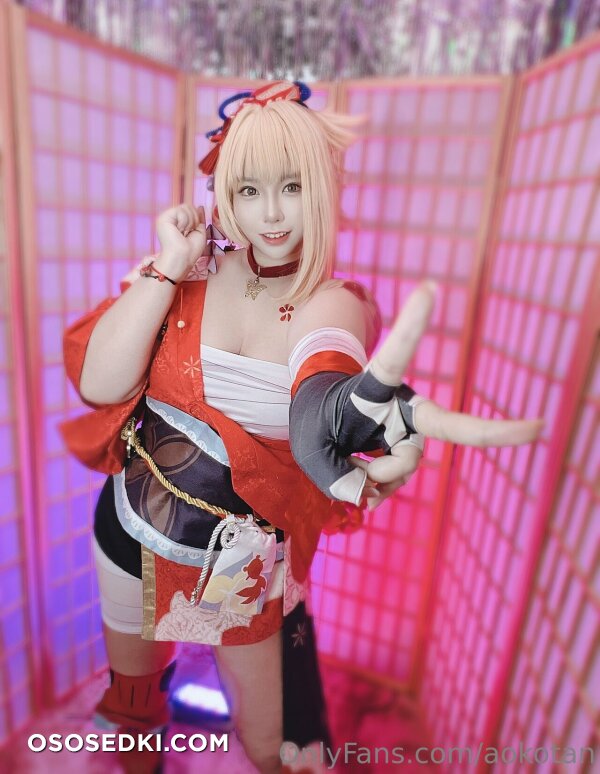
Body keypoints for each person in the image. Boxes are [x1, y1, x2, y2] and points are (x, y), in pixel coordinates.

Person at [61, 81, 543, 774]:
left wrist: (363, 418)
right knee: (135, 705)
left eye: (291, 187)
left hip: (240, 561)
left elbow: (324, 392)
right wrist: (167, 264)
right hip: (133, 528)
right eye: (249, 190)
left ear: (323, 188)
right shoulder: (186, 272)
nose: (271, 214)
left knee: (275, 747)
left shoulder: (334, 303)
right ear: (225, 193)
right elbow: (100, 385)